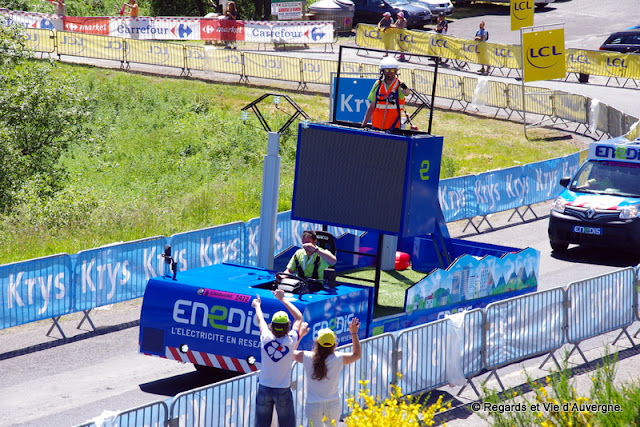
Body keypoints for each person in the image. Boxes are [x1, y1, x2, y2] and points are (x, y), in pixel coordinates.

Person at [293, 318, 362, 427]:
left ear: (317, 343)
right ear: (334, 344)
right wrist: (353, 333)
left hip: (313, 404)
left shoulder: (307, 356)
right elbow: (357, 354)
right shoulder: (338, 358)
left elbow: (290, 352)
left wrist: (300, 335)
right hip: (332, 403)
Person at [252, 289, 305, 427]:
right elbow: (299, 317)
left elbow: (260, 319)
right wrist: (282, 299)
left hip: (264, 386)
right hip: (282, 389)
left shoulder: (266, 337)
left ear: (272, 326)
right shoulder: (291, 339)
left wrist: (257, 306)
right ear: (288, 327)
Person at [361, 56, 411, 132]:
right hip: (376, 127)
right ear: (382, 71)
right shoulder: (378, 84)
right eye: (387, 70)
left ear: (396, 71)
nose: (389, 72)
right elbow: (371, 107)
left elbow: (406, 92)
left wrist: (405, 89)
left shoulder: (400, 85)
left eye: (392, 70)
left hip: (393, 128)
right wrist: (364, 124)